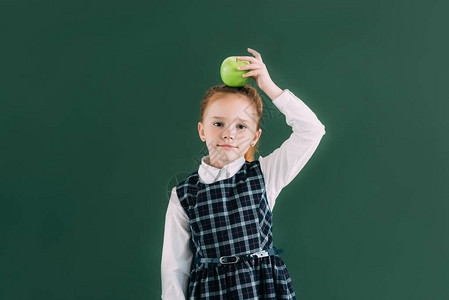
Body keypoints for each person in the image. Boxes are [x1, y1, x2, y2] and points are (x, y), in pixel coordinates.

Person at [161, 48, 326, 299]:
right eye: (218, 124)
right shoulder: (184, 194)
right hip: (209, 292)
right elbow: (174, 268)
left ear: (254, 137)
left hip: (264, 289)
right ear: (202, 130)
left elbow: (312, 131)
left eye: (241, 126)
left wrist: (268, 86)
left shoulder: (265, 175)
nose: (229, 134)